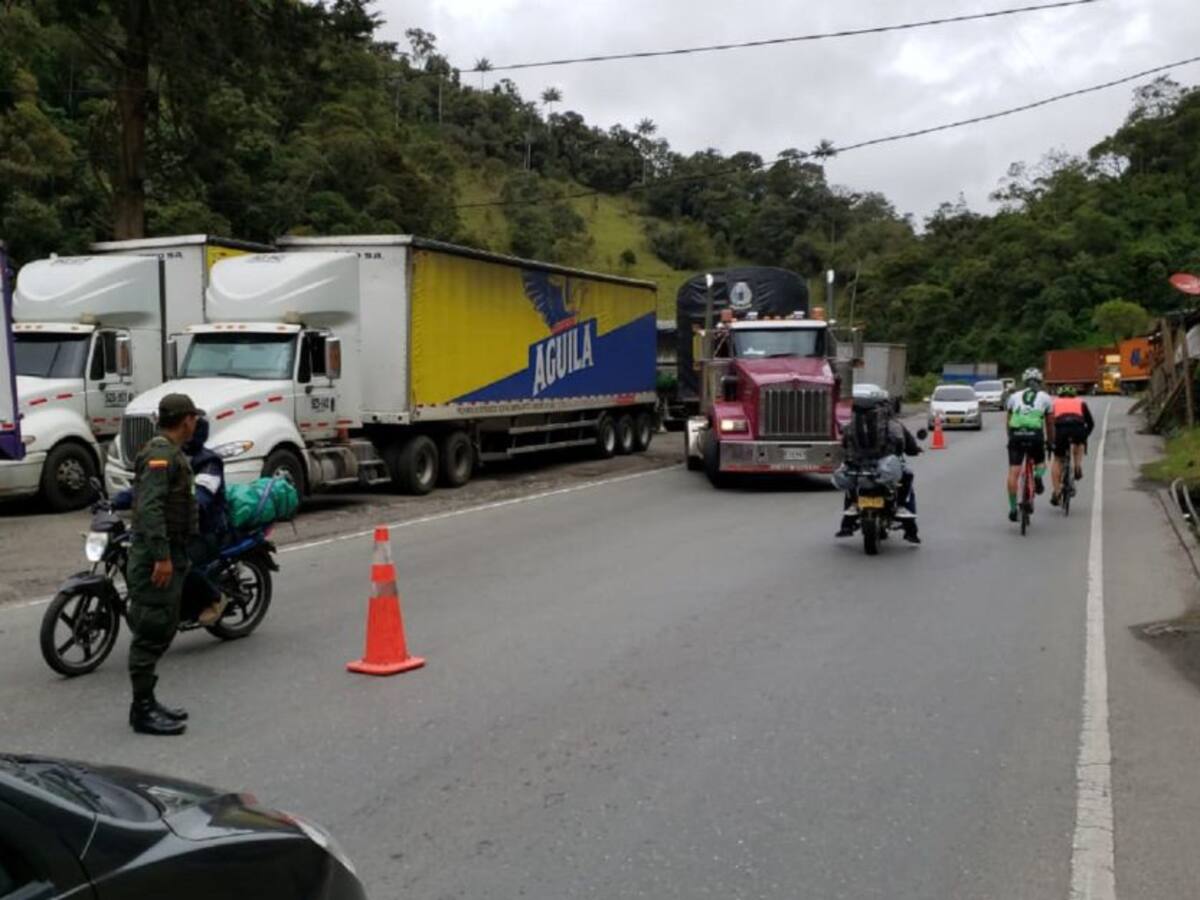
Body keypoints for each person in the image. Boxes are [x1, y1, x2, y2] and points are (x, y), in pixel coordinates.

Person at [126, 393, 201, 736]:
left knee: (163, 626)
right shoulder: (161, 455)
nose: (195, 423)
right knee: (151, 631)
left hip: (170, 551)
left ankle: (148, 701)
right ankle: (141, 711)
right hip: (156, 556)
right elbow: (151, 508)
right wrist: (162, 557)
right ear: (185, 420)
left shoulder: (169, 453)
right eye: (193, 418)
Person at [835, 399, 923, 544]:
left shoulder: (851, 425)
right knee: (907, 475)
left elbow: (844, 445)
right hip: (886, 466)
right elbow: (906, 445)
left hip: (859, 466)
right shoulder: (894, 425)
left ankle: (848, 522)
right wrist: (914, 450)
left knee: (851, 478)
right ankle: (908, 525)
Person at [183, 415, 230, 627]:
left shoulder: (208, 462)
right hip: (183, 526)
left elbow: (202, 496)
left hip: (207, 530)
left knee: (180, 562)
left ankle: (214, 598)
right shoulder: (172, 456)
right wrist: (116, 501)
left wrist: (177, 505)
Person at [1005, 368, 1054, 523]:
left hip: (1016, 434)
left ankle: (1013, 509)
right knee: (1041, 463)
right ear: (1039, 382)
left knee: (1014, 472)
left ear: (1024, 382)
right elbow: (1050, 423)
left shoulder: (1013, 397)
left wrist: (1011, 438)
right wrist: (1050, 442)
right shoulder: (1046, 397)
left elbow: (1008, 420)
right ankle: (1038, 477)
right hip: (1035, 435)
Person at [1050, 385, 1095, 506]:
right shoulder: (1081, 402)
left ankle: (1057, 491)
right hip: (1078, 428)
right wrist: (1085, 436)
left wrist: (1051, 440)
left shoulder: (1055, 402)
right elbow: (1091, 423)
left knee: (1058, 459)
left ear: (1060, 395)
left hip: (1061, 430)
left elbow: (1050, 422)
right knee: (1079, 443)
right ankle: (1077, 467)